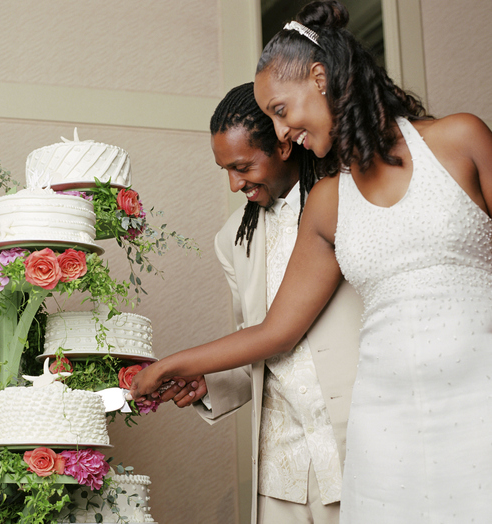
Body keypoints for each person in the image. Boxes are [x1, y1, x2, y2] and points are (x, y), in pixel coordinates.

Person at [132, 1, 492, 523]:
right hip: (385, 420)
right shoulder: (328, 201)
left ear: (320, 78)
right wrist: (169, 366)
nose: (281, 133)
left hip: (478, 395)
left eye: (280, 110)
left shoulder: (461, 139)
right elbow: (276, 331)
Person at [162, 82, 362, 524]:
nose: (235, 183)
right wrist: (213, 382)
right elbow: (254, 336)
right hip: (281, 469)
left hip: (356, 444)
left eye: (243, 166)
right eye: (225, 170)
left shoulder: (350, 200)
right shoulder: (233, 237)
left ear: (284, 145)